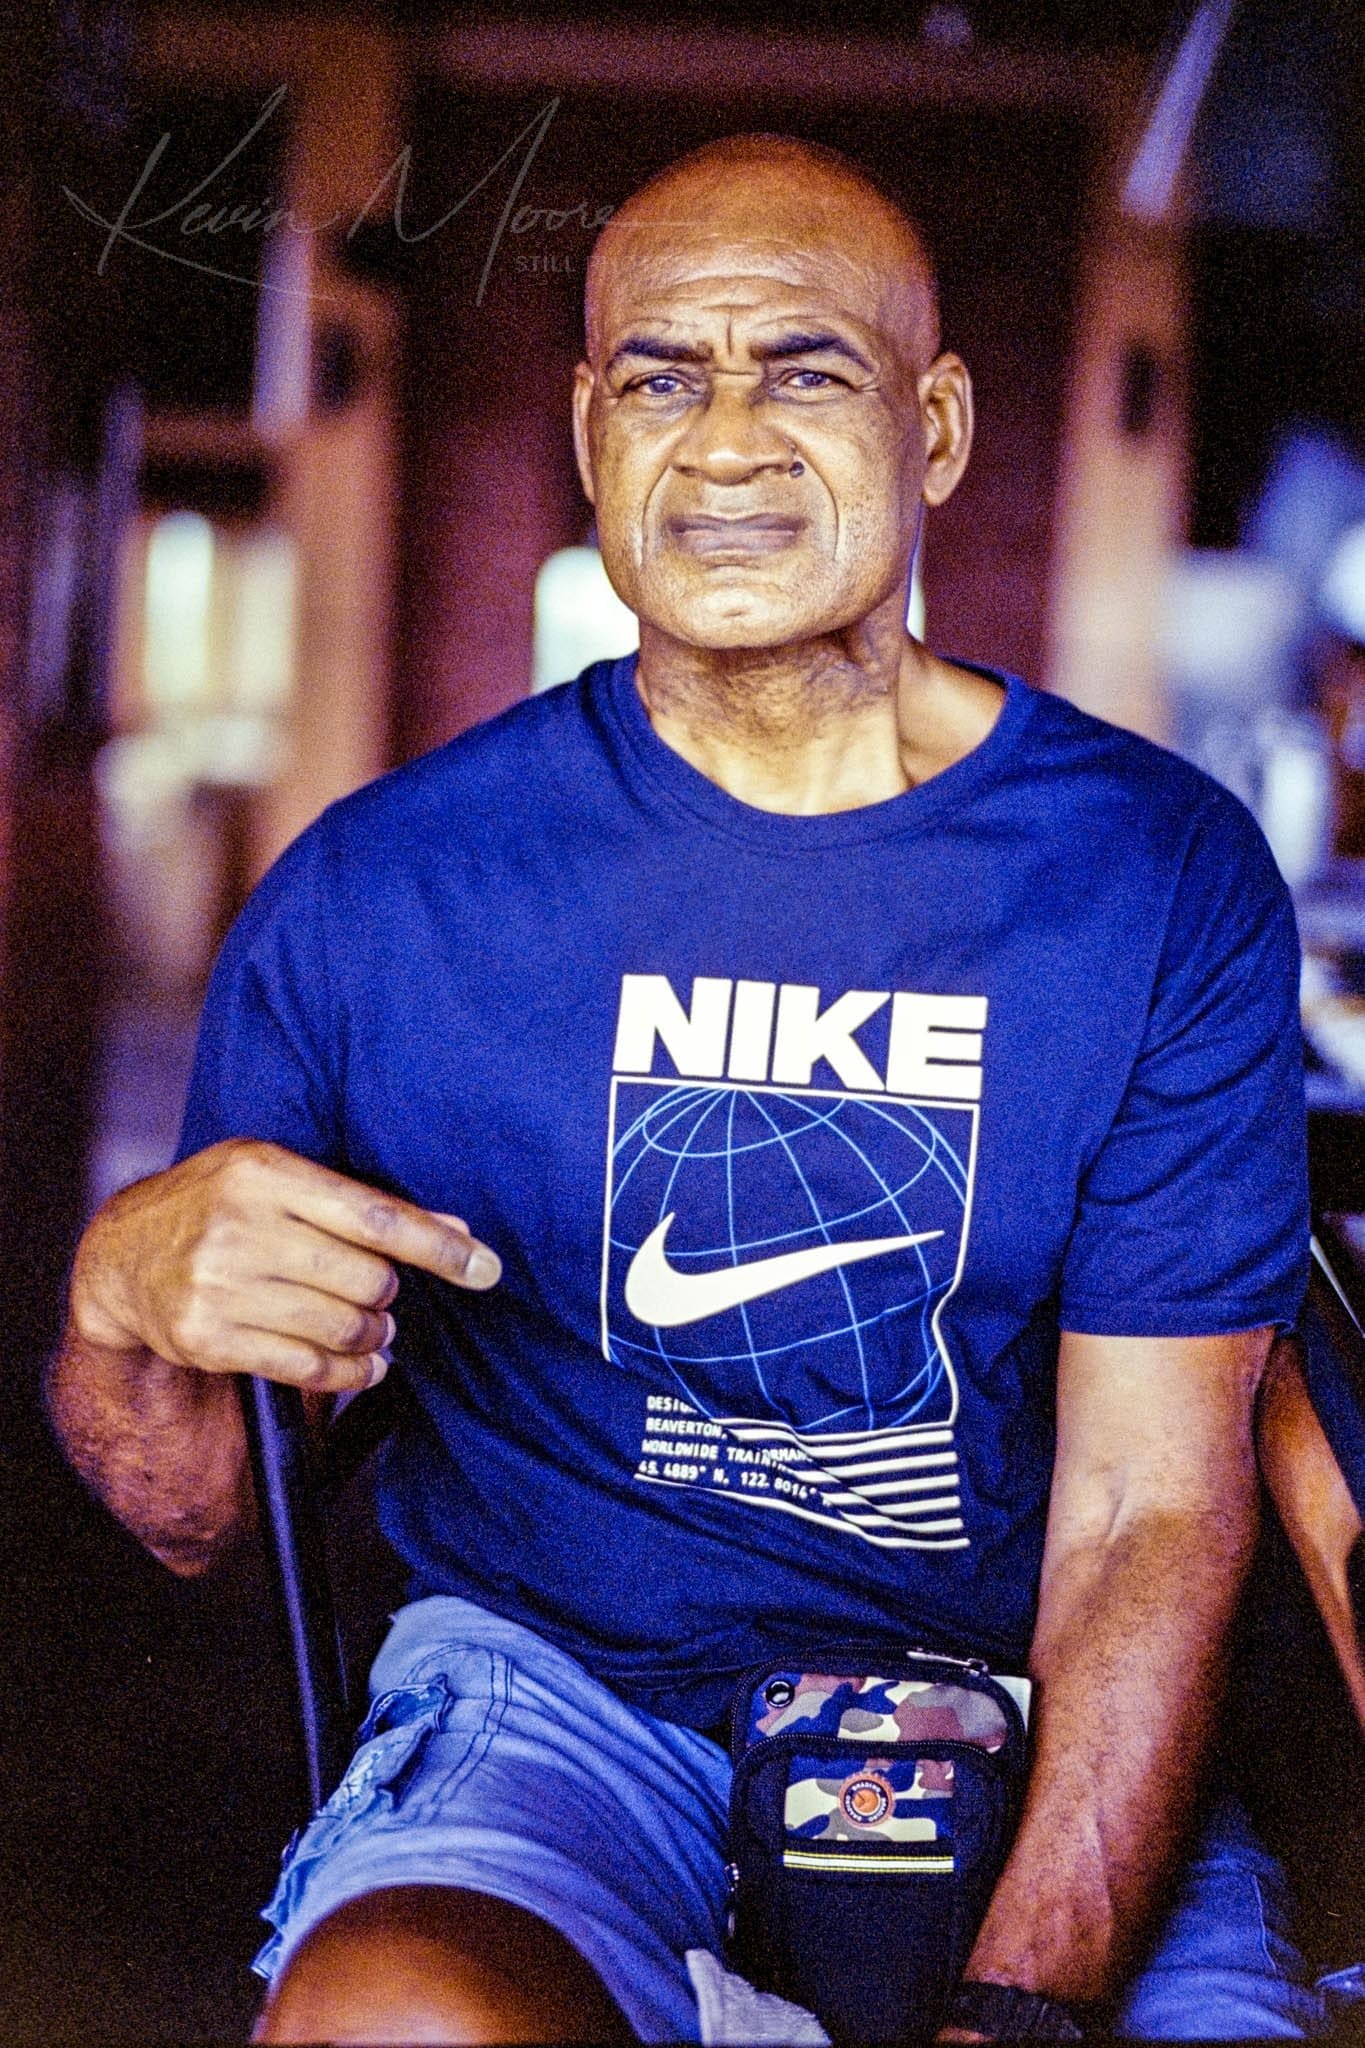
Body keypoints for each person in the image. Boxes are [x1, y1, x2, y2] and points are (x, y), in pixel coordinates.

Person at [48, 134, 1321, 2042]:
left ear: (939, 428)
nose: (721, 439)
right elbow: (194, 1517)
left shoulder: (1151, 880)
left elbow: (1148, 1508)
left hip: (1018, 1701)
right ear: (591, 435)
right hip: (557, 1696)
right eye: (660, 377)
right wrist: (117, 1310)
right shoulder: (378, 893)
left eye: (803, 368)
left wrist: (1022, 2004)